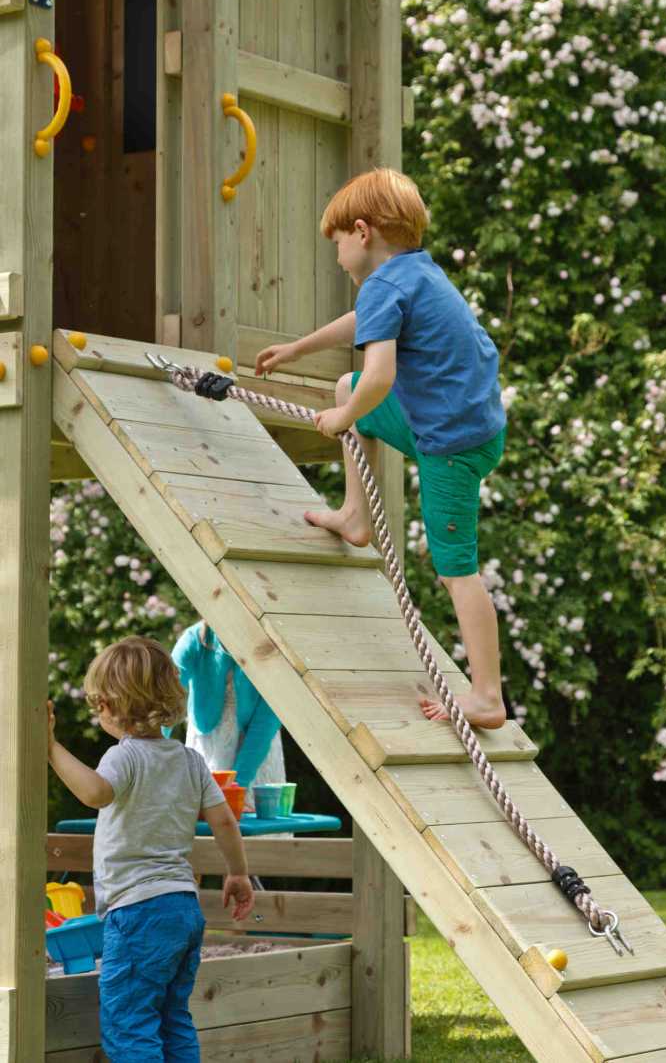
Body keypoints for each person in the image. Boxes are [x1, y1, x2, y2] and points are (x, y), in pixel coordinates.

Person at [255, 167, 508, 730]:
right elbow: (360, 326)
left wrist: (341, 419)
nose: (338, 254)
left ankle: (487, 695)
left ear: (363, 232)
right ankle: (353, 516)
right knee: (345, 385)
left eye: (338, 242)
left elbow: (378, 379)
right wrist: (298, 348)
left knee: (456, 569)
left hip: (451, 447)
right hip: (467, 425)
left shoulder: (385, 285)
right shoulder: (414, 274)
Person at [47, 635, 255, 1062]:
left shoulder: (123, 757)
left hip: (137, 911)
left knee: (130, 1023)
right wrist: (236, 873)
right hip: (182, 907)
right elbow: (224, 822)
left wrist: (49, 748)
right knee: (172, 1017)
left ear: (109, 704)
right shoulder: (189, 760)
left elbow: (94, 793)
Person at [169, 622, 285, 810]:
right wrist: (148, 755)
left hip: (256, 752)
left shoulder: (272, 647)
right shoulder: (194, 640)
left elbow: (265, 723)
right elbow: (165, 697)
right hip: (208, 748)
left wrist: (235, 789)